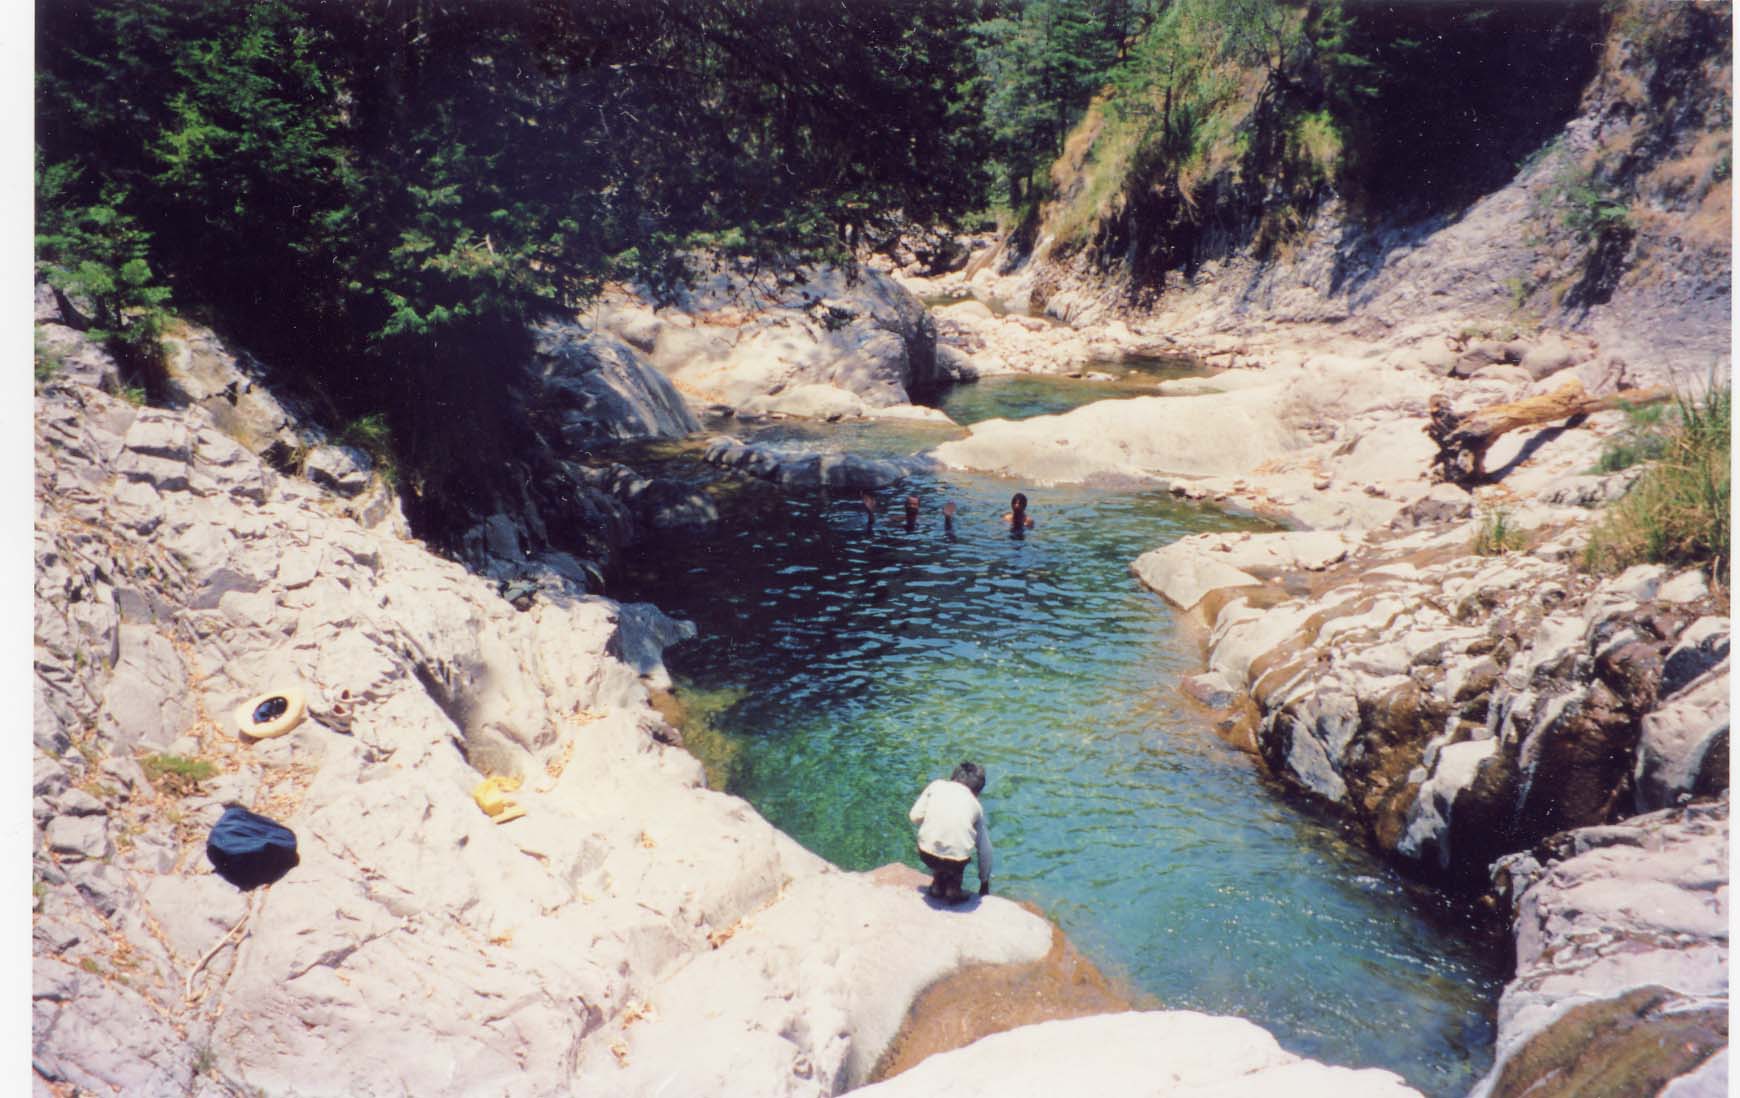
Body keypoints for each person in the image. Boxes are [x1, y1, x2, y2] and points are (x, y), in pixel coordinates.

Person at [908, 761, 993, 904]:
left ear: (953, 777)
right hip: (955, 862)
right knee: (958, 847)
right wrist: (984, 883)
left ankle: (937, 885)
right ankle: (953, 890)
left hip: (926, 854)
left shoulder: (936, 786)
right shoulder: (975, 805)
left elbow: (914, 817)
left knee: (940, 842)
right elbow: (985, 851)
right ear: (977, 792)